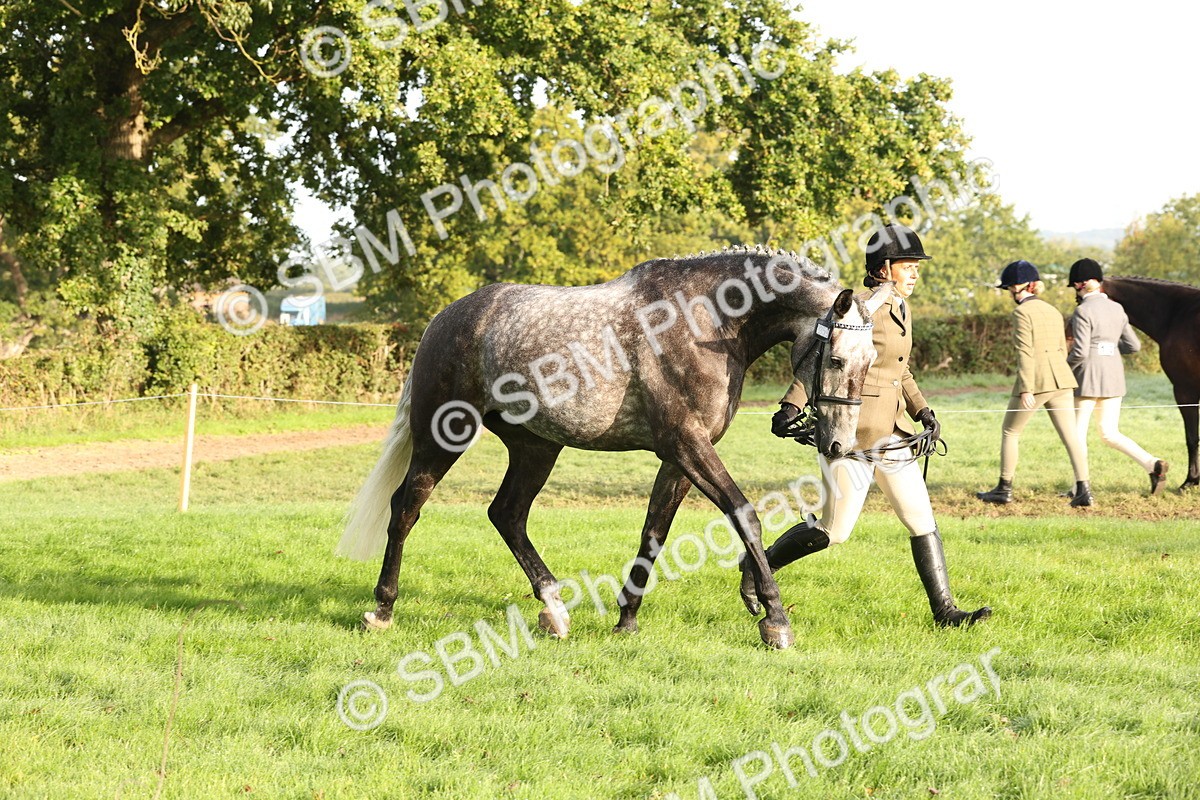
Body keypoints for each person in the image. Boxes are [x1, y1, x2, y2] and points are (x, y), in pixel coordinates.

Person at [743, 223, 991, 628]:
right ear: (884, 268)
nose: (915, 274)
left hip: (893, 432)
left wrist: (922, 409)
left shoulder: (901, 307)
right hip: (852, 434)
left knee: (920, 519)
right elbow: (825, 364)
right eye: (908, 267)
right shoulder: (858, 308)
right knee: (834, 531)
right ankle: (759, 566)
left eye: (916, 268)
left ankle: (945, 612)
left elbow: (899, 369)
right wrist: (792, 405)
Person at [977, 260, 1093, 506]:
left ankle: (1004, 488)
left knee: (1010, 431)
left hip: (1036, 381)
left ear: (1020, 287)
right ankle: (1084, 490)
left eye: (1010, 287)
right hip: (1061, 379)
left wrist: (1028, 388)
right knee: (1071, 436)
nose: (1009, 291)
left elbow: (1025, 352)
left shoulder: (1021, 313)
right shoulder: (1051, 310)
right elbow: (1063, 347)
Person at [1067, 258, 1169, 495]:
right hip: (1114, 379)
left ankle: (1079, 487)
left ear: (1079, 285)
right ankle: (1152, 464)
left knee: (1077, 435)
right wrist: (1108, 349)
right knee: (1109, 433)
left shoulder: (1082, 311)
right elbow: (1133, 346)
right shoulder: (1117, 309)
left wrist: (1063, 369)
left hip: (1087, 380)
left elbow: (1080, 352)